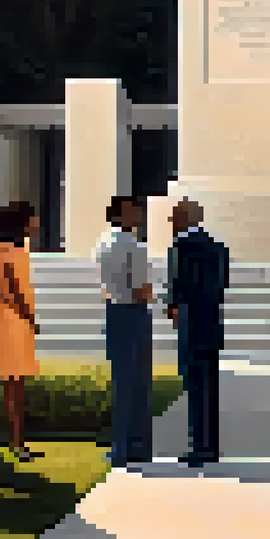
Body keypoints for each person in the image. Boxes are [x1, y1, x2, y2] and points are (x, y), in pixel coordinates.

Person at [165, 198, 230, 467]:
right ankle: (210, 446)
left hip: (191, 324)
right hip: (211, 323)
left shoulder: (180, 247)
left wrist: (173, 309)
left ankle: (198, 446)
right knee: (210, 388)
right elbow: (221, 286)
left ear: (184, 219)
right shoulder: (218, 248)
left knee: (194, 387)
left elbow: (178, 287)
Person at [97, 195, 155, 467]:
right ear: (121, 214)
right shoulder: (134, 245)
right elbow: (140, 288)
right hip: (133, 312)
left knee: (121, 381)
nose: (139, 215)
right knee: (138, 382)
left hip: (113, 311)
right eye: (134, 211)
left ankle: (120, 445)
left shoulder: (102, 244)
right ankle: (137, 446)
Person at [0, 200, 44, 462]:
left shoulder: (21, 250)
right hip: (13, 320)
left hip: (21, 321)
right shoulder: (3, 250)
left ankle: (20, 440)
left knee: (19, 384)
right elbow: (9, 291)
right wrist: (29, 315)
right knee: (13, 382)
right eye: (32, 219)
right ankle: (16, 442)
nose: (36, 224)